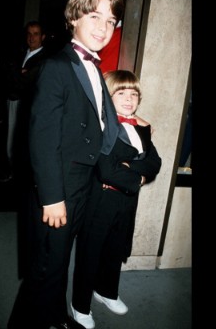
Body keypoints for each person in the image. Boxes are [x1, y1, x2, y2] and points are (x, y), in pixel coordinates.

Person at [7, 0, 124, 329]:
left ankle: (54, 317)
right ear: (74, 17)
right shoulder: (57, 66)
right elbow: (41, 139)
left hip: (83, 184)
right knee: (48, 266)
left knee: (57, 262)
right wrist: (52, 198)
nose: (103, 28)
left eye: (110, 20)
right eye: (94, 16)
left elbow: (102, 129)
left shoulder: (94, 70)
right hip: (59, 187)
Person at [70, 70, 162, 328]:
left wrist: (134, 173)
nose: (129, 99)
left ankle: (107, 291)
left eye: (134, 94)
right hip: (100, 200)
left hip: (127, 201)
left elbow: (155, 162)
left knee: (115, 248)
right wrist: (137, 172)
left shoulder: (142, 127)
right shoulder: (102, 127)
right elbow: (107, 169)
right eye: (121, 93)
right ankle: (80, 305)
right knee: (91, 252)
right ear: (108, 98)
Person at [0, 21, 48, 183]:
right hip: (12, 102)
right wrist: (16, 73)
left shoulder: (44, 59)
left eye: (35, 34)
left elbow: (22, 82)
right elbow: (6, 77)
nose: (31, 37)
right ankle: (11, 172)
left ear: (42, 37)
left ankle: (18, 177)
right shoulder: (21, 54)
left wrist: (16, 73)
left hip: (28, 107)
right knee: (8, 139)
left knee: (20, 143)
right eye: (29, 33)